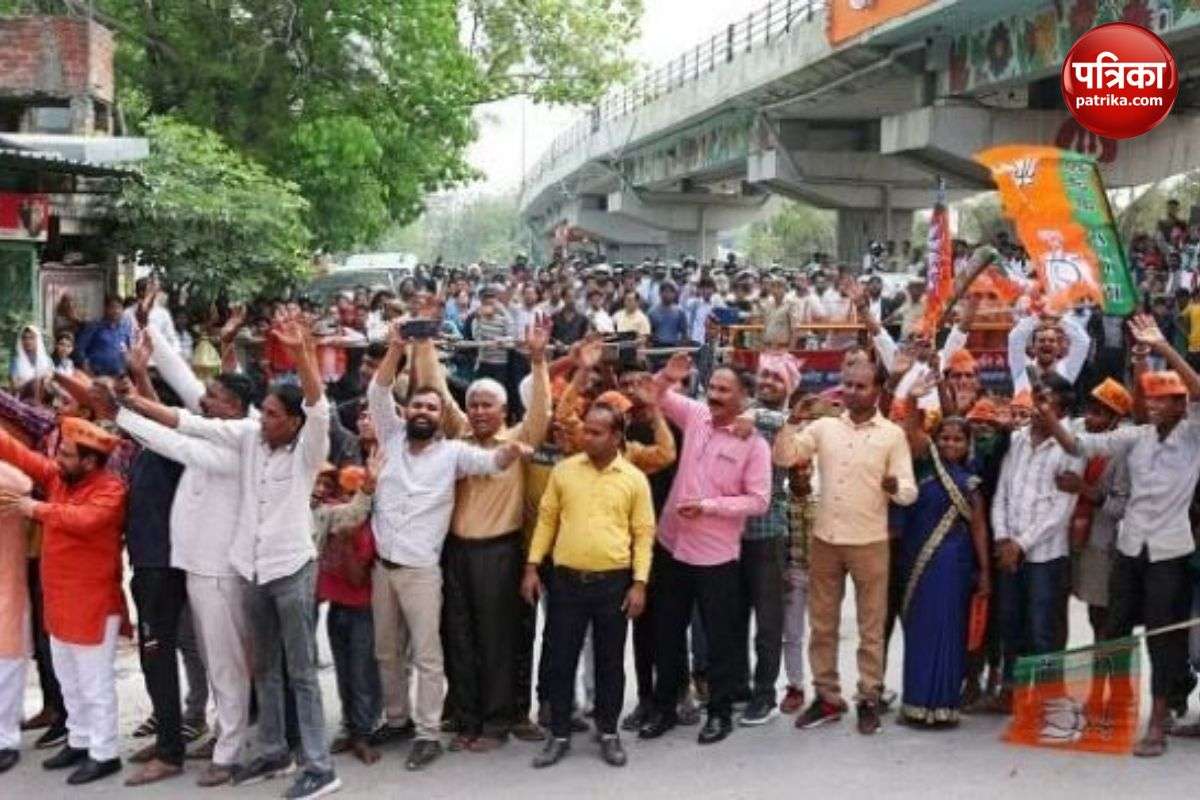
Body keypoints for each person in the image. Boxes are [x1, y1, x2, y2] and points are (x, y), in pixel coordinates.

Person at [163, 315, 339, 799]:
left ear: (294, 423)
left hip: (291, 571)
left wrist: (302, 352)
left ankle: (319, 767)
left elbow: (318, 405)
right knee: (264, 667)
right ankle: (273, 751)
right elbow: (187, 422)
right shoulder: (250, 440)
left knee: (301, 672)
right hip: (253, 571)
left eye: (274, 416)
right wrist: (128, 405)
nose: (264, 422)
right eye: (261, 413)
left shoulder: (307, 450)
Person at [367, 323, 532, 772]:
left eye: (431, 406)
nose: (422, 410)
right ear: (407, 411)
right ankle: (397, 719)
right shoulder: (391, 437)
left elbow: (490, 460)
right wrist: (398, 348)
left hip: (422, 570)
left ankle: (427, 732)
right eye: (416, 404)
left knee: (426, 654)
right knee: (386, 651)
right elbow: (378, 393)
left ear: (442, 417)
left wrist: (512, 449)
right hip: (383, 567)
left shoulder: (453, 454)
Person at [1039, 315, 1200, 757]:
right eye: (1151, 398)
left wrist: (1164, 349)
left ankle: (1158, 721)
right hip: (1129, 548)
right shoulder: (1137, 437)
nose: (1152, 405)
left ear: (1181, 405)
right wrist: (1048, 417)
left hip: (1170, 550)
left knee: (1163, 638)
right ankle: (1111, 708)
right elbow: (1079, 447)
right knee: (1113, 629)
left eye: (1164, 400)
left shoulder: (1193, 436)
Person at [114, 327, 258, 788]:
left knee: (225, 665)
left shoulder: (239, 442)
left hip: (218, 572)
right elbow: (184, 391)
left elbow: (173, 437)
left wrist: (122, 409)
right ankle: (221, 736)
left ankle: (230, 749)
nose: (204, 401)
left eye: (214, 397)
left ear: (232, 409)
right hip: (195, 566)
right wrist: (150, 330)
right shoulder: (225, 428)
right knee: (214, 662)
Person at [772, 359, 917, 734]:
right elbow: (785, 457)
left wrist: (893, 489)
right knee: (822, 626)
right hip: (826, 540)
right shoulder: (823, 428)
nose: (852, 392)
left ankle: (868, 696)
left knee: (872, 627)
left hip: (871, 543)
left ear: (877, 390)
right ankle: (827, 697)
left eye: (860, 386)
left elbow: (909, 489)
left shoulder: (891, 435)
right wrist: (792, 420)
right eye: (847, 384)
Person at [424, 324, 550, 752]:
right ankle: (465, 715)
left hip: (500, 553)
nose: (478, 412)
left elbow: (540, 416)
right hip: (455, 553)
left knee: (498, 640)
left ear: (503, 411)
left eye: (487, 406)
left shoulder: (516, 440)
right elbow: (439, 394)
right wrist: (423, 342)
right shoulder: (457, 438)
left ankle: (497, 722)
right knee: (458, 636)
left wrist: (537, 359)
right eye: (474, 404)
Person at [637, 356, 771, 746]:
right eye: (712, 388)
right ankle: (665, 709)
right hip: (672, 544)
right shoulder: (696, 416)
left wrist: (711, 506)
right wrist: (668, 375)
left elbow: (759, 500)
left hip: (716, 555)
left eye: (724, 391)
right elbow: (655, 396)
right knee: (666, 633)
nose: (714, 396)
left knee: (720, 640)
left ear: (744, 398)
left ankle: (719, 712)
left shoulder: (754, 444)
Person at [523, 403, 655, 769]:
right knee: (560, 660)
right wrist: (532, 567)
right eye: (586, 430)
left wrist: (640, 584)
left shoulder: (633, 479)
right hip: (566, 583)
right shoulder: (564, 472)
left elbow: (643, 535)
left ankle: (609, 733)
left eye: (597, 432)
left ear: (615, 436)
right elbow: (547, 521)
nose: (587, 437)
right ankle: (560, 734)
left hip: (614, 584)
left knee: (610, 663)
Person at [0, 416, 127, 785]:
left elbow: (83, 520)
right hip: (59, 603)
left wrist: (32, 508)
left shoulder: (111, 489)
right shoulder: (59, 478)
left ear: (90, 462)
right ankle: (79, 739)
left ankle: (104, 753)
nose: (58, 460)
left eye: (67, 455)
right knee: (70, 682)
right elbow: (19, 454)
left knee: (94, 685)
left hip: (92, 605)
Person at [991, 373, 1083, 712]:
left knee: (1044, 628)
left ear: (1061, 406)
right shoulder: (1016, 441)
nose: (1036, 405)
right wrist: (1003, 538)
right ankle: (1012, 689)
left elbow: (1061, 510)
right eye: (1036, 397)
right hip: (1009, 549)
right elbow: (1002, 492)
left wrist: (1021, 544)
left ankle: (1048, 697)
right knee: (1010, 621)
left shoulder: (1071, 445)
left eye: (1045, 398)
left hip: (1045, 554)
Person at [892, 412, 991, 726]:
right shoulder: (921, 475)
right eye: (944, 438)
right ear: (935, 441)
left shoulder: (970, 482)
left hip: (953, 564)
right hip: (916, 562)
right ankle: (916, 703)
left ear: (967, 445)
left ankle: (944, 705)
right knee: (920, 631)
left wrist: (985, 571)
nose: (950, 443)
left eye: (958, 439)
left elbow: (978, 528)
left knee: (948, 630)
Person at [729, 354, 798, 725]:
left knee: (768, 620)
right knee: (733, 616)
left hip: (767, 533)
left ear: (789, 386)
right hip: (729, 533)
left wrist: (756, 417)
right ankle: (738, 685)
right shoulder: (743, 410)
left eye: (777, 378)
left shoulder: (783, 420)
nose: (769, 381)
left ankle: (764, 694)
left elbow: (790, 431)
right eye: (765, 375)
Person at [0, 461, 31, 774]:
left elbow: (21, 484)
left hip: (6, 588)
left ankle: (5, 741)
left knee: (5, 667)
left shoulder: (7, 479)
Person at [75, 297, 134, 377]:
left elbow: (128, 349)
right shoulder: (94, 325)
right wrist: (85, 367)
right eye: (112, 307)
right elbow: (80, 347)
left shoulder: (125, 328)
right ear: (106, 309)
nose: (116, 311)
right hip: (97, 374)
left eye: (119, 308)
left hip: (119, 375)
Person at [9, 325, 53, 392]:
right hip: (23, 398)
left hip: (42, 397)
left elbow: (48, 380)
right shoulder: (16, 362)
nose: (28, 341)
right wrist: (31, 382)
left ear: (38, 340)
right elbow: (14, 386)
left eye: (31, 338)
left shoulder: (47, 361)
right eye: (24, 338)